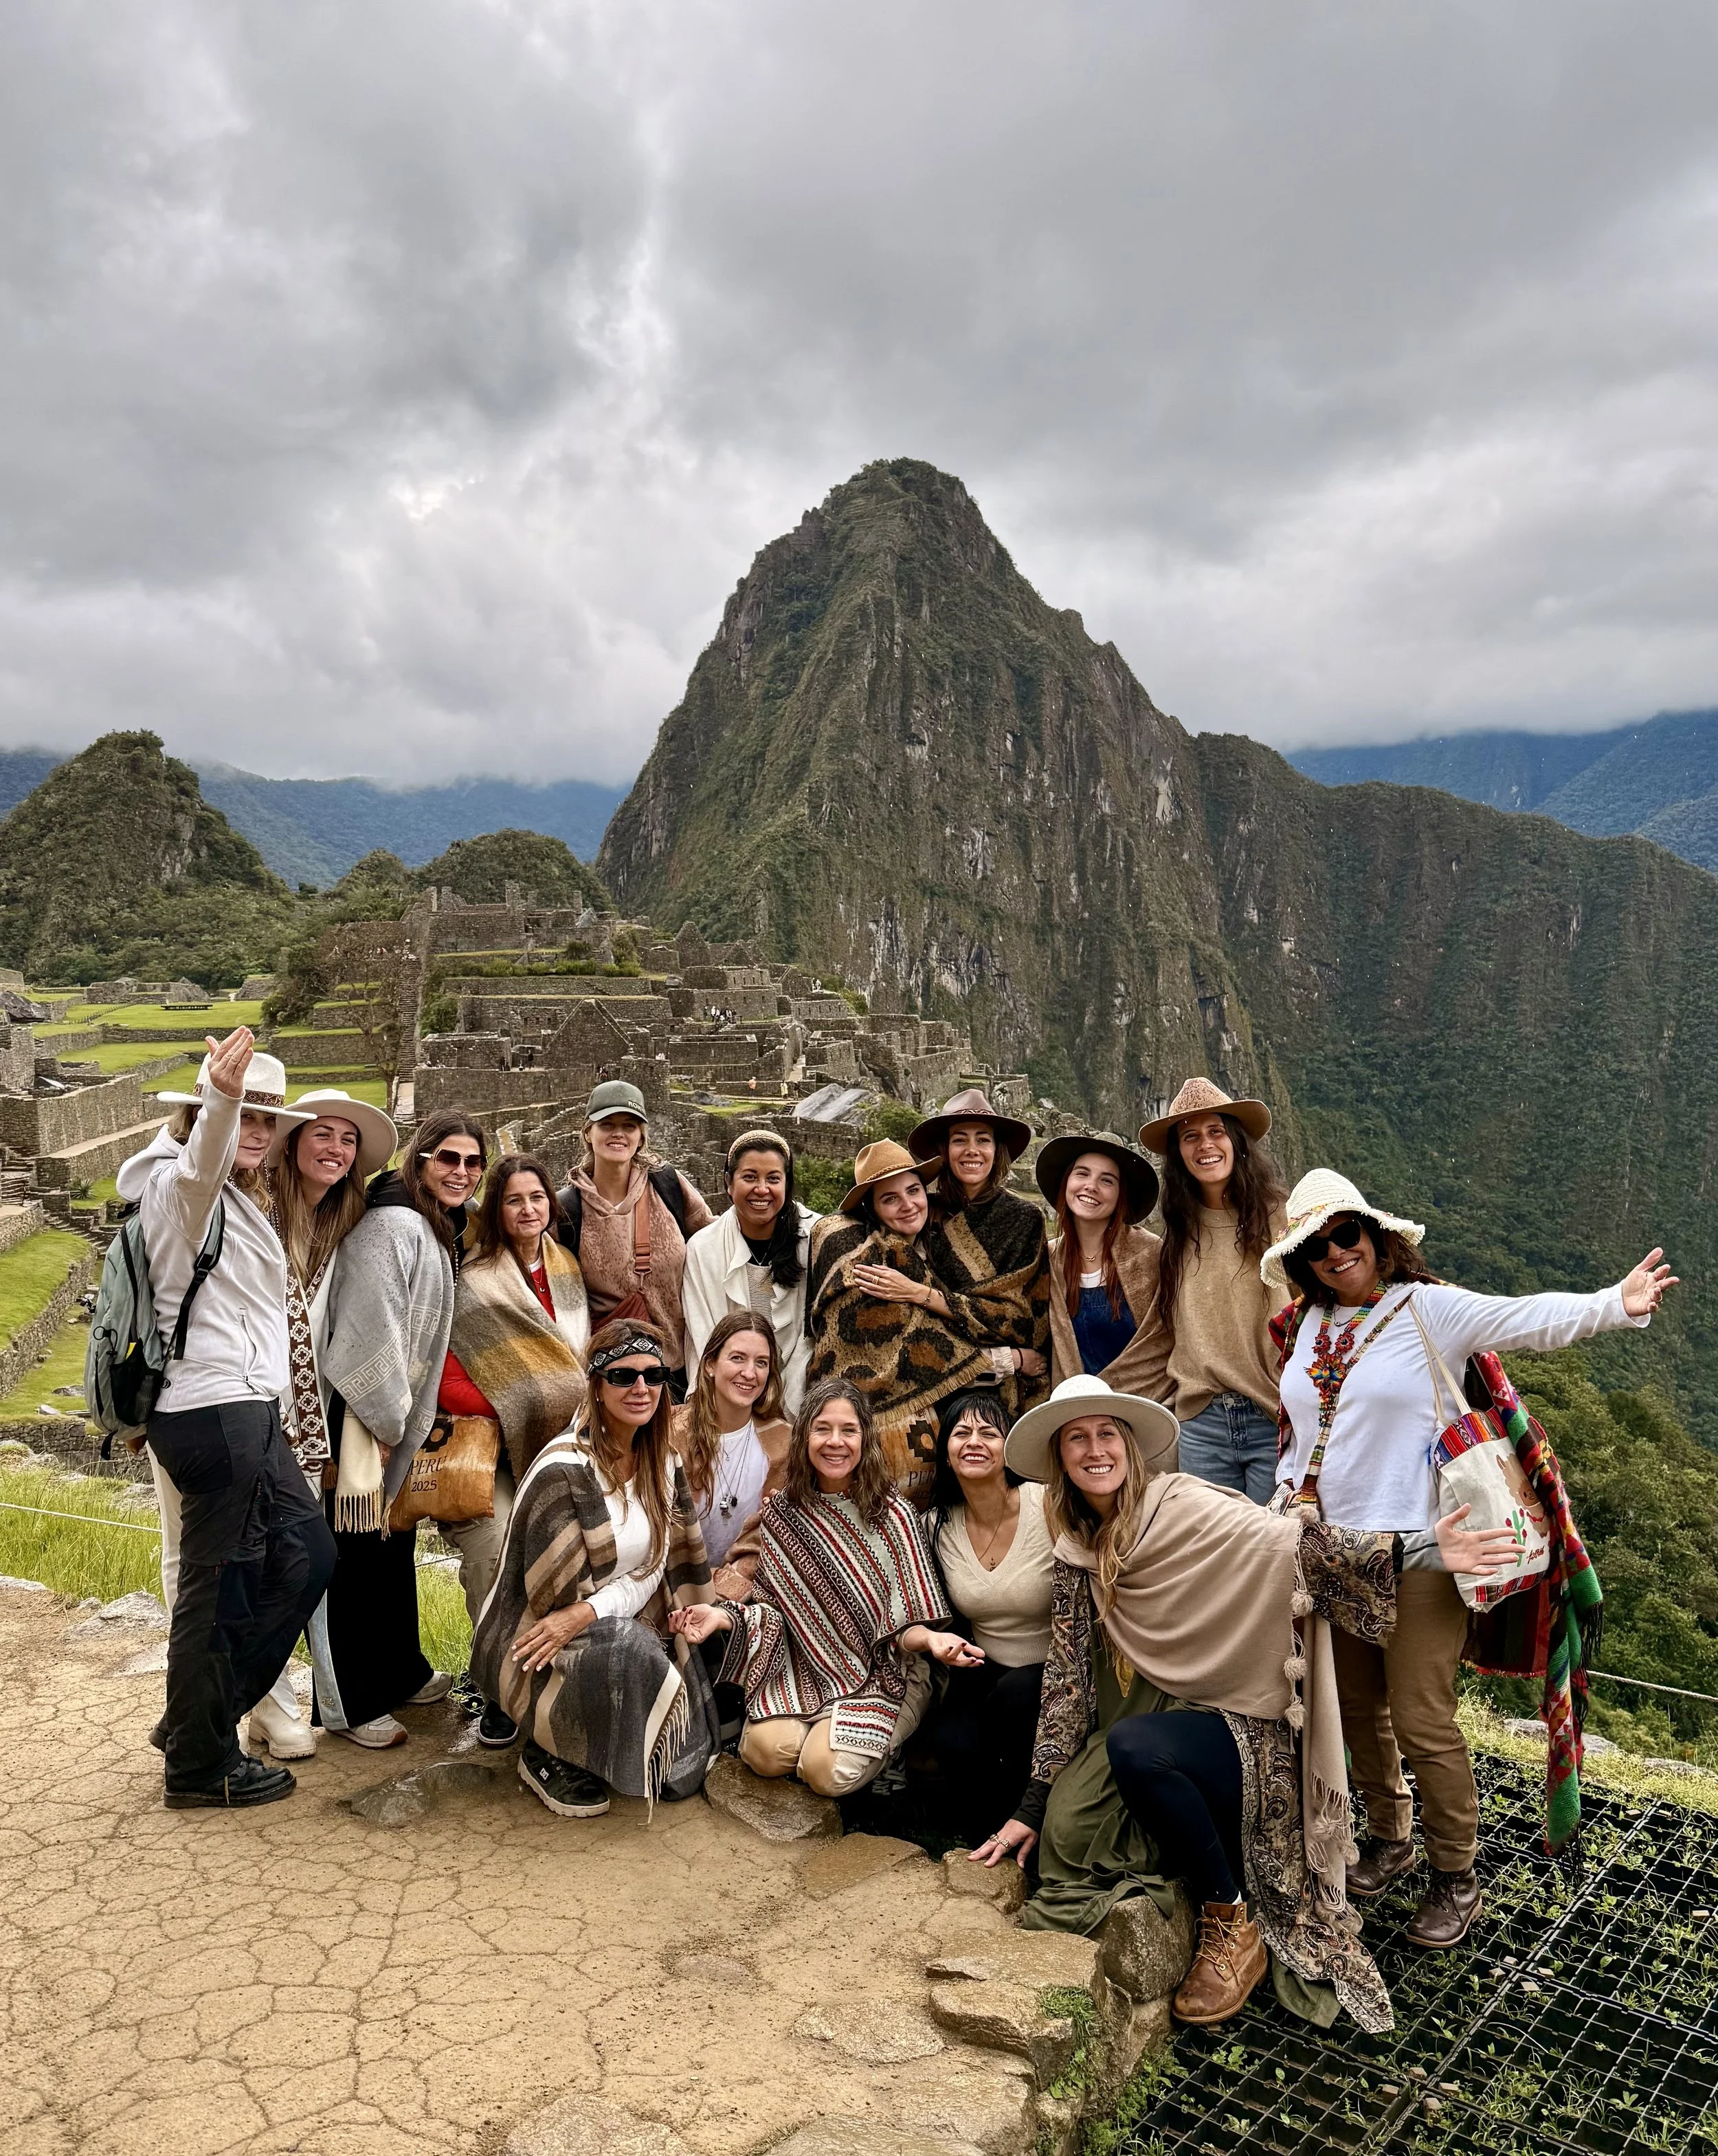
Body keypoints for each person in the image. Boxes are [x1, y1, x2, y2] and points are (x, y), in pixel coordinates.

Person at [972, 1374, 1517, 2031]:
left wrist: (1422, 1550)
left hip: (1237, 1723)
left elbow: (1289, 1544)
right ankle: (1196, 1845)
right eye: (1077, 1439)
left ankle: (1230, 1919)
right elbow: (1066, 1681)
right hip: (1157, 1718)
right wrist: (1029, 1807)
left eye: (1107, 1434)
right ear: (1061, 1458)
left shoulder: (1181, 1507)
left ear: (1130, 1445)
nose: (1095, 1451)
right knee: (1067, 1834)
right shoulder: (1078, 1549)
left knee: (1135, 1751)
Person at [1264, 1169, 1677, 1949]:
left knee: (1422, 1720)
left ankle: (1456, 1876)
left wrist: (1612, 1307)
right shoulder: (1303, 1328)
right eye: (1314, 1246)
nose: (1333, 1253)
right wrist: (1286, 1501)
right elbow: (1299, 1436)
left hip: (1426, 1552)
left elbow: (1523, 1319)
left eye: (1344, 1235)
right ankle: (1388, 1840)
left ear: (1376, 1238)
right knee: (1358, 1712)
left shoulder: (1429, 1310)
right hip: (1337, 1556)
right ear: (1301, 1260)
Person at [137, 1032, 335, 1808]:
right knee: (215, 1591)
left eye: (266, 1117)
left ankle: (197, 1720)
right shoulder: (182, 1187)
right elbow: (200, 1164)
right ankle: (197, 1766)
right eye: (242, 1114)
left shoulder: (241, 1196)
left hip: (247, 1412)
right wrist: (222, 1099)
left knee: (308, 1553)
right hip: (212, 1409)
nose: (256, 1128)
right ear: (202, 1113)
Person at [469, 1320, 723, 1818]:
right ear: (597, 1385)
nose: (642, 1388)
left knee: (702, 1642)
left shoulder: (662, 1463)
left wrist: (597, 1612)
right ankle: (548, 1749)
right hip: (540, 1636)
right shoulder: (563, 1472)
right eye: (623, 1376)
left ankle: (602, 1734)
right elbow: (552, 1608)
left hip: (600, 1617)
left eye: (654, 1375)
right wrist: (595, 1617)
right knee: (628, 1650)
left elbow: (657, 1567)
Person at [669, 1379, 966, 1797]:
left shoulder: (893, 1514)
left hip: (882, 1673)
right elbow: (773, 1613)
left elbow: (907, 1624)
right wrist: (721, 1616)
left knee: (823, 1772)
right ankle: (830, 1741)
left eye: (849, 1430)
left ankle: (886, 1752)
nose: (835, 1442)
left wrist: (933, 1640)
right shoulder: (784, 1511)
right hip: (803, 1670)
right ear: (805, 1435)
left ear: (866, 1439)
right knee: (763, 1754)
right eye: (822, 1429)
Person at [317, 1110, 484, 1746]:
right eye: (448, 1159)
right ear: (419, 1162)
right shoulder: (391, 1226)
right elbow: (371, 1326)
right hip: (360, 1417)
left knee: (391, 1546)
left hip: (389, 1413)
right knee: (355, 1554)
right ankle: (352, 1704)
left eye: (473, 1163)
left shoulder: (430, 1225)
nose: (461, 1173)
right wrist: (387, 1418)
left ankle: (399, 1672)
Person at [266, 1087, 401, 1759]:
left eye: (348, 1141)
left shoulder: (344, 1224)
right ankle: (266, 1706)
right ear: (291, 1143)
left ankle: (318, 1702)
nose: (336, 1149)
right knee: (257, 1567)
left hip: (316, 1420)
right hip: (251, 1413)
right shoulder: (260, 1215)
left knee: (310, 1562)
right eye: (322, 1134)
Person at [445, 1152, 591, 1692]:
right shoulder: (475, 1279)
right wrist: (524, 1399)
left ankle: (554, 1676)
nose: (528, 1209)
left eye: (536, 1197)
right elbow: (449, 1380)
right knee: (494, 1549)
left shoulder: (568, 1270)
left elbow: (576, 1359)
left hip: (567, 1446)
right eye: (513, 1200)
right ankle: (497, 1681)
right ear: (496, 1210)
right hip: (500, 1452)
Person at [806, 1139, 1007, 1485]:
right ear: (871, 1209)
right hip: (873, 1434)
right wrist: (1011, 1360)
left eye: (913, 1191)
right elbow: (916, 1354)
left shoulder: (938, 1247)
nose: (908, 1205)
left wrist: (919, 1293)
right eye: (890, 1198)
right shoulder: (870, 1262)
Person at [1137, 1078, 1288, 1503]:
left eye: (1215, 1132)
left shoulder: (1281, 1219)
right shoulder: (1177, 1236)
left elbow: (1321, 1304)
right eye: (1190, 1137)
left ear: (1235, 1140)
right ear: (1179, 1154)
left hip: (1271, 1415)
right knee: (1213, 1558)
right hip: (1202, 1423)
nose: (1205, 1145)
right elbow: (1159, 1334)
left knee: (1268, 1552)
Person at [923, 1389, 1056, 1844]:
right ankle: (984, 1840)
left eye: (989, 1433)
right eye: (961, 1433)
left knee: (1016, 1697)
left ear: (1009, 1448)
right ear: (946, 1452)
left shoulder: (1046, 1503)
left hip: (1056, 1670)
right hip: (984, 1667)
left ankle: (1029, 1831)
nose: (974, 1442)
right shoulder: (938, 1523)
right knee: (950, 1738)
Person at [555, 1079, 712, 1394]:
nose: (618, 1133)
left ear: (641, 1137)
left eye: (629, 1125)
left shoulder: (669, 1187)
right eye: (607, 1124)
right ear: (588, 1132)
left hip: (678, 1366)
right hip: (614, 1375)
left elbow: (715, 1239)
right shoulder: (567, 1209)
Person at [909, 1090, 1050, 1421]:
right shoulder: (921, 1215)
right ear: (944, 1150)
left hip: (1007, 1391)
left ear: (996, 1150)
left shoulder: (1024, 1219)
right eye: (960, 1140)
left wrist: (926, 1296)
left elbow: (1022, 1318)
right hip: (933, 1382)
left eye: (983, 1140)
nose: (972, 1151)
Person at [682, 1129, 818, 1413]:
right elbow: (704, 1335)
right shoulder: (704, 1249)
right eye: (749, 1177)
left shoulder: (816, 1237)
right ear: (728, 1183)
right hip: (729, 1396)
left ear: (787, 1185)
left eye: (773, 1179)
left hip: (804, 1394)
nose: (761, 1189)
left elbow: (815, 1335)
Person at [673, 1312, 792, 1600]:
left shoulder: (785, 1442)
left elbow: (777, 1538)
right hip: (672, 1589)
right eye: (738, 1358)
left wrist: (724, 1590)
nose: (750, 1373)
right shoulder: (669, 1432)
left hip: (746, 1595)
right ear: (710, 1365)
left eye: (761, 1363)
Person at [1038, 1133, 1166, 1394]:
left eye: (1107, 1180)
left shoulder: (1151, 1254)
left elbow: (1162, 1344)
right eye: (1082, 1174)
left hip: (1148, 1406)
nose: (1091, 1186)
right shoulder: (1047, 1261)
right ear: (1067, 1183)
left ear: (1121, 1195)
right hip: (1073, 1409)